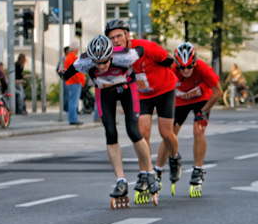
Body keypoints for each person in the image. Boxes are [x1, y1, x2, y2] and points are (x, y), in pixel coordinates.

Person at [59, 35, 157, 207]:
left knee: (133, 131)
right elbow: (69, 73)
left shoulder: (125, 56)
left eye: (105, 62)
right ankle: (120, 180)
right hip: (104, 92)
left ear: (111, 56)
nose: (102, 66)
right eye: (98, 63)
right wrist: (64, 75)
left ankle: (150, 173)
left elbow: (143, 50)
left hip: (127, 88)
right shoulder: (84, 62)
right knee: (110, 133)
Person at [105, 19, 181, 186]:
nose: (116, 41)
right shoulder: (113, 56)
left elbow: (169, 62)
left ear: (127, 35)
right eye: (111, 38)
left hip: (164, 89)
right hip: (142, 94)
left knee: (166, 133)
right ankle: (145, 173)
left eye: (119, 36)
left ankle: (175, 158)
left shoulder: (147, 47)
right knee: (142, 132)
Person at [162, 42, 220, 196]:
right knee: (168, 134)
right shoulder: (171, 69)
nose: (186, 70)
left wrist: (204, 111)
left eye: (189, 67)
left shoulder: (202, 68)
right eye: (182, 68)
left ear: (195, 63)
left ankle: (198, 170)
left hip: (202, 99)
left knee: (198, 131)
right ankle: (157, 170)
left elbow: (218, 92)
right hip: (180, 102)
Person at [63, 40, 85, 125]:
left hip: (70, 82)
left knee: (72, 101)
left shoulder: (68, 57)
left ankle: (72, 118)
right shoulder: (73, 58)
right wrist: (80, 80)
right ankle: (73, 119)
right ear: (76, 49)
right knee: (74, 101)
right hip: (74, 82)